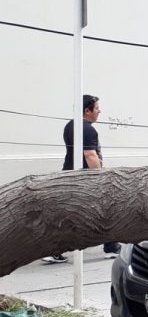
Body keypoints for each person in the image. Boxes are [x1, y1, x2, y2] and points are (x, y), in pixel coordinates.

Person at [41, 95, 121, 263]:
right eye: (97, 107)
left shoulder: (70, 126)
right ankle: (111, 248)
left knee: (68, 216)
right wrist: (101, 178)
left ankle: (53, 250)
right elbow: (90, 155)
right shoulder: (88, 129)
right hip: (85, 180)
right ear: (87, 111)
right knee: (108, 210)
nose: (99, 111)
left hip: (68, 175)